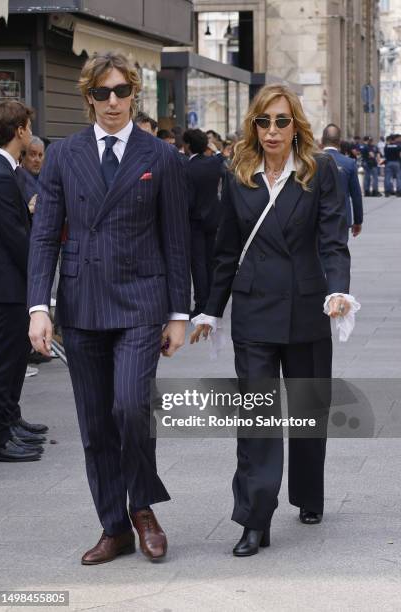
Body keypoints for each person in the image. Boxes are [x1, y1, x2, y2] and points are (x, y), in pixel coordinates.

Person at [28, 51, 190, 564]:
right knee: (96, 424)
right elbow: (43, 236)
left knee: (129, 405)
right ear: (88, 97)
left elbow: (177, 239)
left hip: (142, 300)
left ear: (134, 94)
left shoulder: (159, 156)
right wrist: (38, 306)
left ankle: (142, 507)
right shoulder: (62, 154)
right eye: (103, 93)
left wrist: (179, 314)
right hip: (81, 304)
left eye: (122, 92)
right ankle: (114, 526)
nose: (113, 101)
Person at [191, 84, 352, 557]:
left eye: (282, 121)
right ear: (253, 126)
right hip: (256, 310)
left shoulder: (319, 170)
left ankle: (308, 492)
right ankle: (255, 518)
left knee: (307, 408)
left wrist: (338, 289)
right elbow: (224, 250)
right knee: (257, 416)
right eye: (264, 122)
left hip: (306, 307)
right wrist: (210, 309)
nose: (273, 130)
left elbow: (332, 237)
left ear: (295, 124)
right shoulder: (238, 171)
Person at [0, 101, 46, 463]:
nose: (30, 133)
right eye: (28, 126)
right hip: (6, 288)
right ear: (20, 131)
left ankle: (10, 422)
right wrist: (40, 274)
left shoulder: (4, 169)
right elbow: (14, 236)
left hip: (9, 286)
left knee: (12, 363)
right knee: (4, 363)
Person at [183, 128, 226, 315]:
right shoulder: (214, 163)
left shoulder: (186, 167)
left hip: (195, 221)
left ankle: (201, 304)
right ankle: (212, 304)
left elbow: (188, 199)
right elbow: (222, 159)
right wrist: (214, 148)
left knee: (198, 263)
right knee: (211, 262)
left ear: (187, 145)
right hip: (214, 218)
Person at [322, 123, 363, 237]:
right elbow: (356, 196)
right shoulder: (349, 163)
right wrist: (358, 221)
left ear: (322, 140)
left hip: (317, 219)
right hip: (342, 218)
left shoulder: (311, 161)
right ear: (339, 142)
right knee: (339, 252)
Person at [19, 135, 45, 211]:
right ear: (23, 156)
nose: (37, 160)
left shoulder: (47, 179)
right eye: (33, 154)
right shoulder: (18, 179)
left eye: (40, 155)